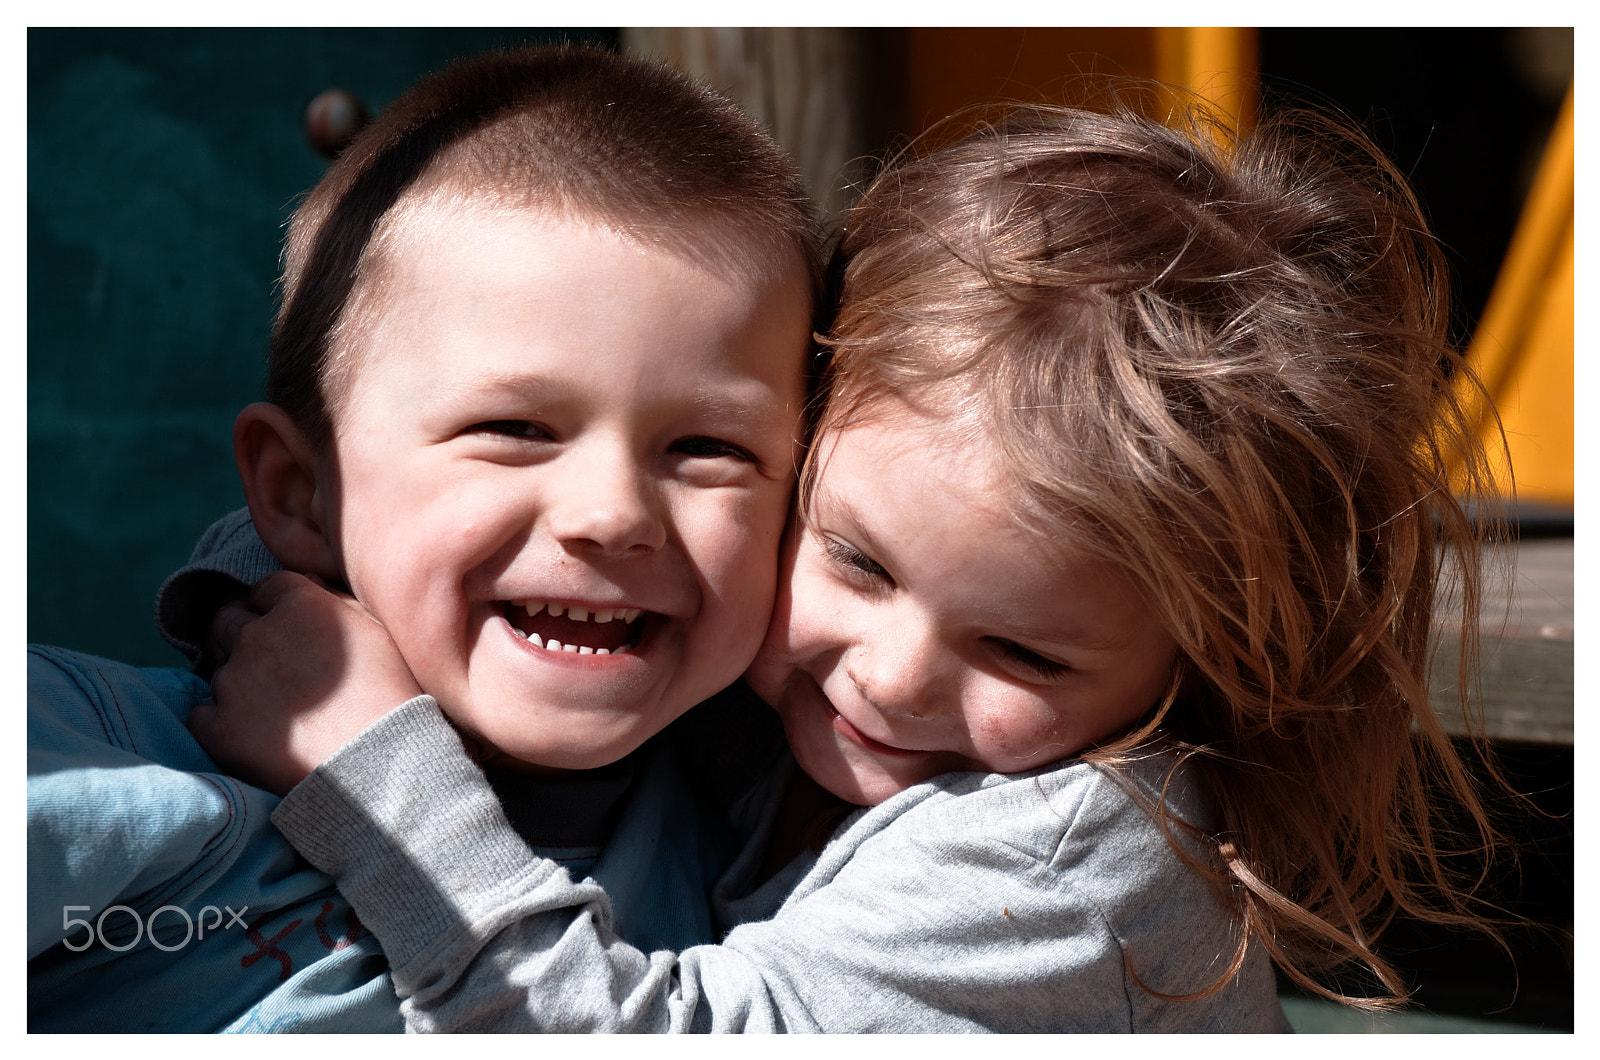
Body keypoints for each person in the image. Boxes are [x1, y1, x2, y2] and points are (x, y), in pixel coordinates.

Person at [193, 98, 1511, 1032]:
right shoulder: (781, 711)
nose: (886, 679)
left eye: (1026, 653)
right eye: (860, 563)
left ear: (1201, 655)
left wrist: (378, 768)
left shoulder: (1062, 858)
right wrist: (285, 589)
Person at [26, 44, 819, 1032]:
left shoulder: (789, 887)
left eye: (707, 447)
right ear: (300, 494)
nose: (613, 512)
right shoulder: (99, 766)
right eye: (516, 430)